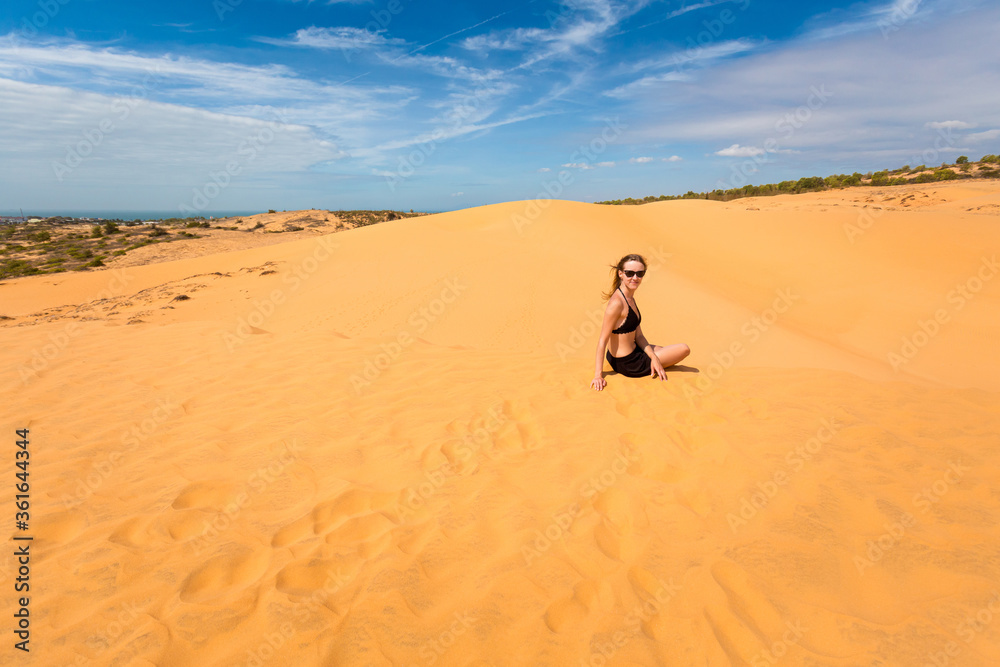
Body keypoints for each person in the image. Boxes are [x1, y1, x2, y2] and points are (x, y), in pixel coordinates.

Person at [591, 253, 690, 391]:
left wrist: (653, 357)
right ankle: (651, 360)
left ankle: (653, 358)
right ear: (621, 274)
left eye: (640, 273)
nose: (635, 278)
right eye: (630, 273)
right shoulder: (616, 304)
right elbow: (602, 340)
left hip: (633, 351)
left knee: (661, 350)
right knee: (684, 349)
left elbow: (639, 336)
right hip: (629, 364)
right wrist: (598, 375)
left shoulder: (630, 298)